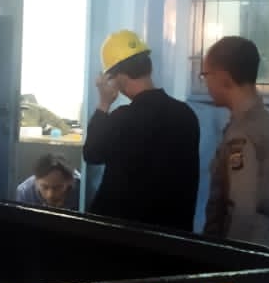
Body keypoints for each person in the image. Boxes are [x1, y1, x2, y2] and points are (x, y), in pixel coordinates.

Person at [82, 30, 201, 231]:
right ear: (149, 67)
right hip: (173, 236)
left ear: (117, 77)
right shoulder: (186, 115)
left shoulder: (122, 119)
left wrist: (103, 103)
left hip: (125, 236)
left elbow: (91, 154)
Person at [201, 36, 269, 248]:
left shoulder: (242, 135)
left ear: (223, 77)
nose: (205, 83)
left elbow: (242, 210)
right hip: (262, 249)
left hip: (237, 255)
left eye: (205, 75)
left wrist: (228, 260)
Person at [15, 154, 80, 210]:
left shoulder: (82, 191)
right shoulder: (24, 192)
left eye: (57, 187)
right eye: (44, 187)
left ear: (70, 182)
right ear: (36, 182)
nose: (50, 195)